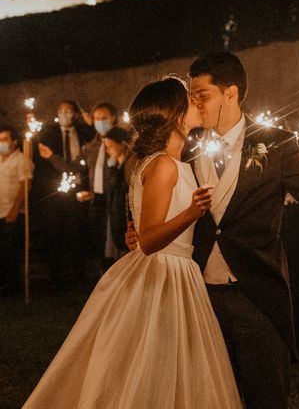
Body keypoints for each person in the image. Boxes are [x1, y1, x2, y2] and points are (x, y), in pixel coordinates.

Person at [128, 52, 299, 408]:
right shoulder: (187, 145)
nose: (194, 104)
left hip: (256, 291)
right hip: (197, 293)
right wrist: (136, 225)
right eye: (192, 97)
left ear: (231, 94)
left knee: (265, 394)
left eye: (202, 95)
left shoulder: (277, 142)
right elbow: (156, 190)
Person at [24, 77, 243, 408]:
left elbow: (142, 234)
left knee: (174, 361)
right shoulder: (165, 165)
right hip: (164, 273)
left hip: (178, 270)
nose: (196, 104)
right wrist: (192, 213)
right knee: (155, 360)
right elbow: (151, 239)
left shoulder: (172, 163)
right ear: (175, 113)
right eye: (189, 99)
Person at [35, 99, 95, 290]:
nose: (64, 114)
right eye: (61, 110)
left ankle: (78, 276)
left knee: (76, 233)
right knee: (55, 234)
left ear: (75, 114)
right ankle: (56, 278)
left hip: (78, 190)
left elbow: (92, 149)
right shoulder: (49, 135)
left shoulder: (84, 134)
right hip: (55, 192)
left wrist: (90, 123)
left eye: (68, 111)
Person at [79, 103, 119, 269]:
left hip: (114, 200)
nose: (100, 122)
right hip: (96, 201)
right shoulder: (90, 147)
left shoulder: (121, 143)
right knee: (99, 241)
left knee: (114, 242)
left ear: (113, 119)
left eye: (104, 118)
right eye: (97, 119)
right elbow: (77, 167)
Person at [0, 124, 33, 296]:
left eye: (4, 140)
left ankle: (11, 286)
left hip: (11, 212)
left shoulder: (22, 160)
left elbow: (24, 187)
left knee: (9, 251)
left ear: (13, 142)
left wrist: (15, 208)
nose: (1, 143)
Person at [103, 125, 131, 265]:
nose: (108, 151)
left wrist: (112, 169)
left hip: (124, 214)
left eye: (110, 146)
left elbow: (120, 187)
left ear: (122, 144)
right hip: (115, 212)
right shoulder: (117, 165)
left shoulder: (128, 166)